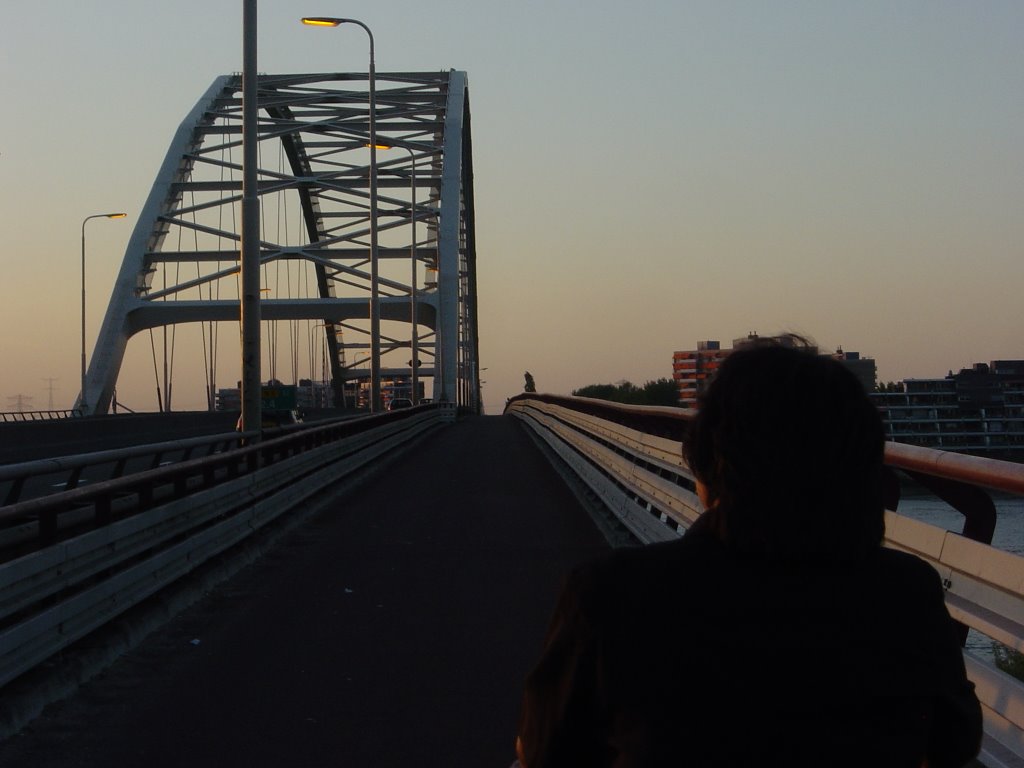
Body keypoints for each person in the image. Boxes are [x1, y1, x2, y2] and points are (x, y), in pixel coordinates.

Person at [515, 336, 981, 767]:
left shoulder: (612, 593)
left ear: (703, 462)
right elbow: (954, 740)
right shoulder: (905, 592)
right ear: (862, 471)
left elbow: (545, 750)